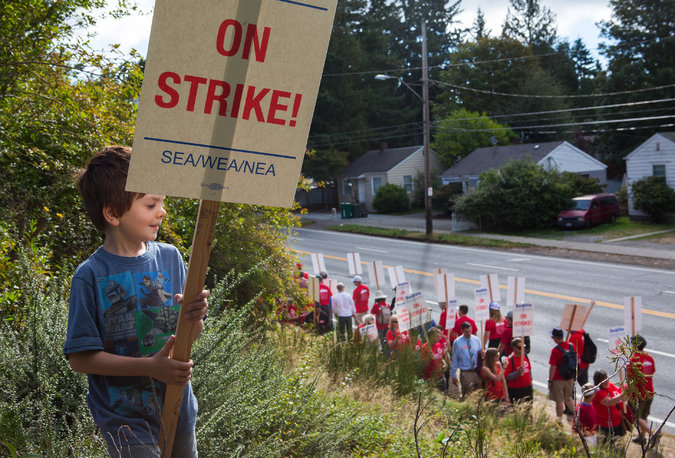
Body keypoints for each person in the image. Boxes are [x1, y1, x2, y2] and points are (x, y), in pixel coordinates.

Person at [63, 146, 209, 457]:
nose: (162, 211)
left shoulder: (171, 258)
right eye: (151, 203)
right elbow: (80, 359)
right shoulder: (90, 275)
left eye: (162, 202)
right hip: (123, 420)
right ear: (112, 213)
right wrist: (150, 367)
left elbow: (188, 335)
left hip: (178, 409)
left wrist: (194, 317)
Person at [626, 334, 658, 446]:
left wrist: (629, 395)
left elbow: (630, 380)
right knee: (644, 416)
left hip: (639, 393)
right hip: (650, 390)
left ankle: (653, 434)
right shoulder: (649, 357)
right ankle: (642, 437)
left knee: (634, 415)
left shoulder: (634, 360)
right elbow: (652, 371)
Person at [548, 327, 575, 424]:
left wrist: (550, 381)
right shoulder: (572, 346)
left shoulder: (555, 350)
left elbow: (553, 367)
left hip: (558, 378)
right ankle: (578, 416)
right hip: (570, 377)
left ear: (555, 338)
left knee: (559, 401)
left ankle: (559, 422)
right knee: (568, 398)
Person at [451, 321, 482, 399]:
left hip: (477, 372)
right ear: (462, 331)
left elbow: (480, 355)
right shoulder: (457, 342)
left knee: (478, 396)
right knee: (467, 396)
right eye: (466, 332)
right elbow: (454, 359)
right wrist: (454, 375)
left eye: (470, 331)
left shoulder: (477, 340)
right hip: (466, 373)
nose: (469, 333)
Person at [592, 370, 626, 442]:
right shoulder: (598, 392)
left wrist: (625, 388)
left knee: (618, 446)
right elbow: (610, 402)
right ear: (598, 382)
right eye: (603, 381)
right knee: (606, 446)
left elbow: (618, 394)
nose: (606, 382)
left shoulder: (611, 385)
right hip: (605, 426)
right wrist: (623, 394)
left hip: (617, 423)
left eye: (607, 379)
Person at [504, 337, 533, 405]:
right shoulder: (509, 360)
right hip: (516, 390)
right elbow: (506, 376)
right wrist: (517, 373)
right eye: (520, 348)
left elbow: (529, 371)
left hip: (527, 388)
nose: (523, 349)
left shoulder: (525, 356)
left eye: (524, 347)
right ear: (514, 348)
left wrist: (531, 383)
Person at [420, 326, 448, 392]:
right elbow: (423, 366)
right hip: (430, 379)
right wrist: (428, 358)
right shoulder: (425, 348)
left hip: (441, 377)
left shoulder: (438, 344)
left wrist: (444, 364)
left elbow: (441, 358)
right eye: (437, 337)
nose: (439, 338)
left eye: (439, 336)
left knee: (444, 395)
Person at [576, 383, 599, 448]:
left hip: (592, 435)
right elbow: (577, 426)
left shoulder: (590, 404)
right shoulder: (582, 408)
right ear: (592, 395)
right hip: (587, 439)